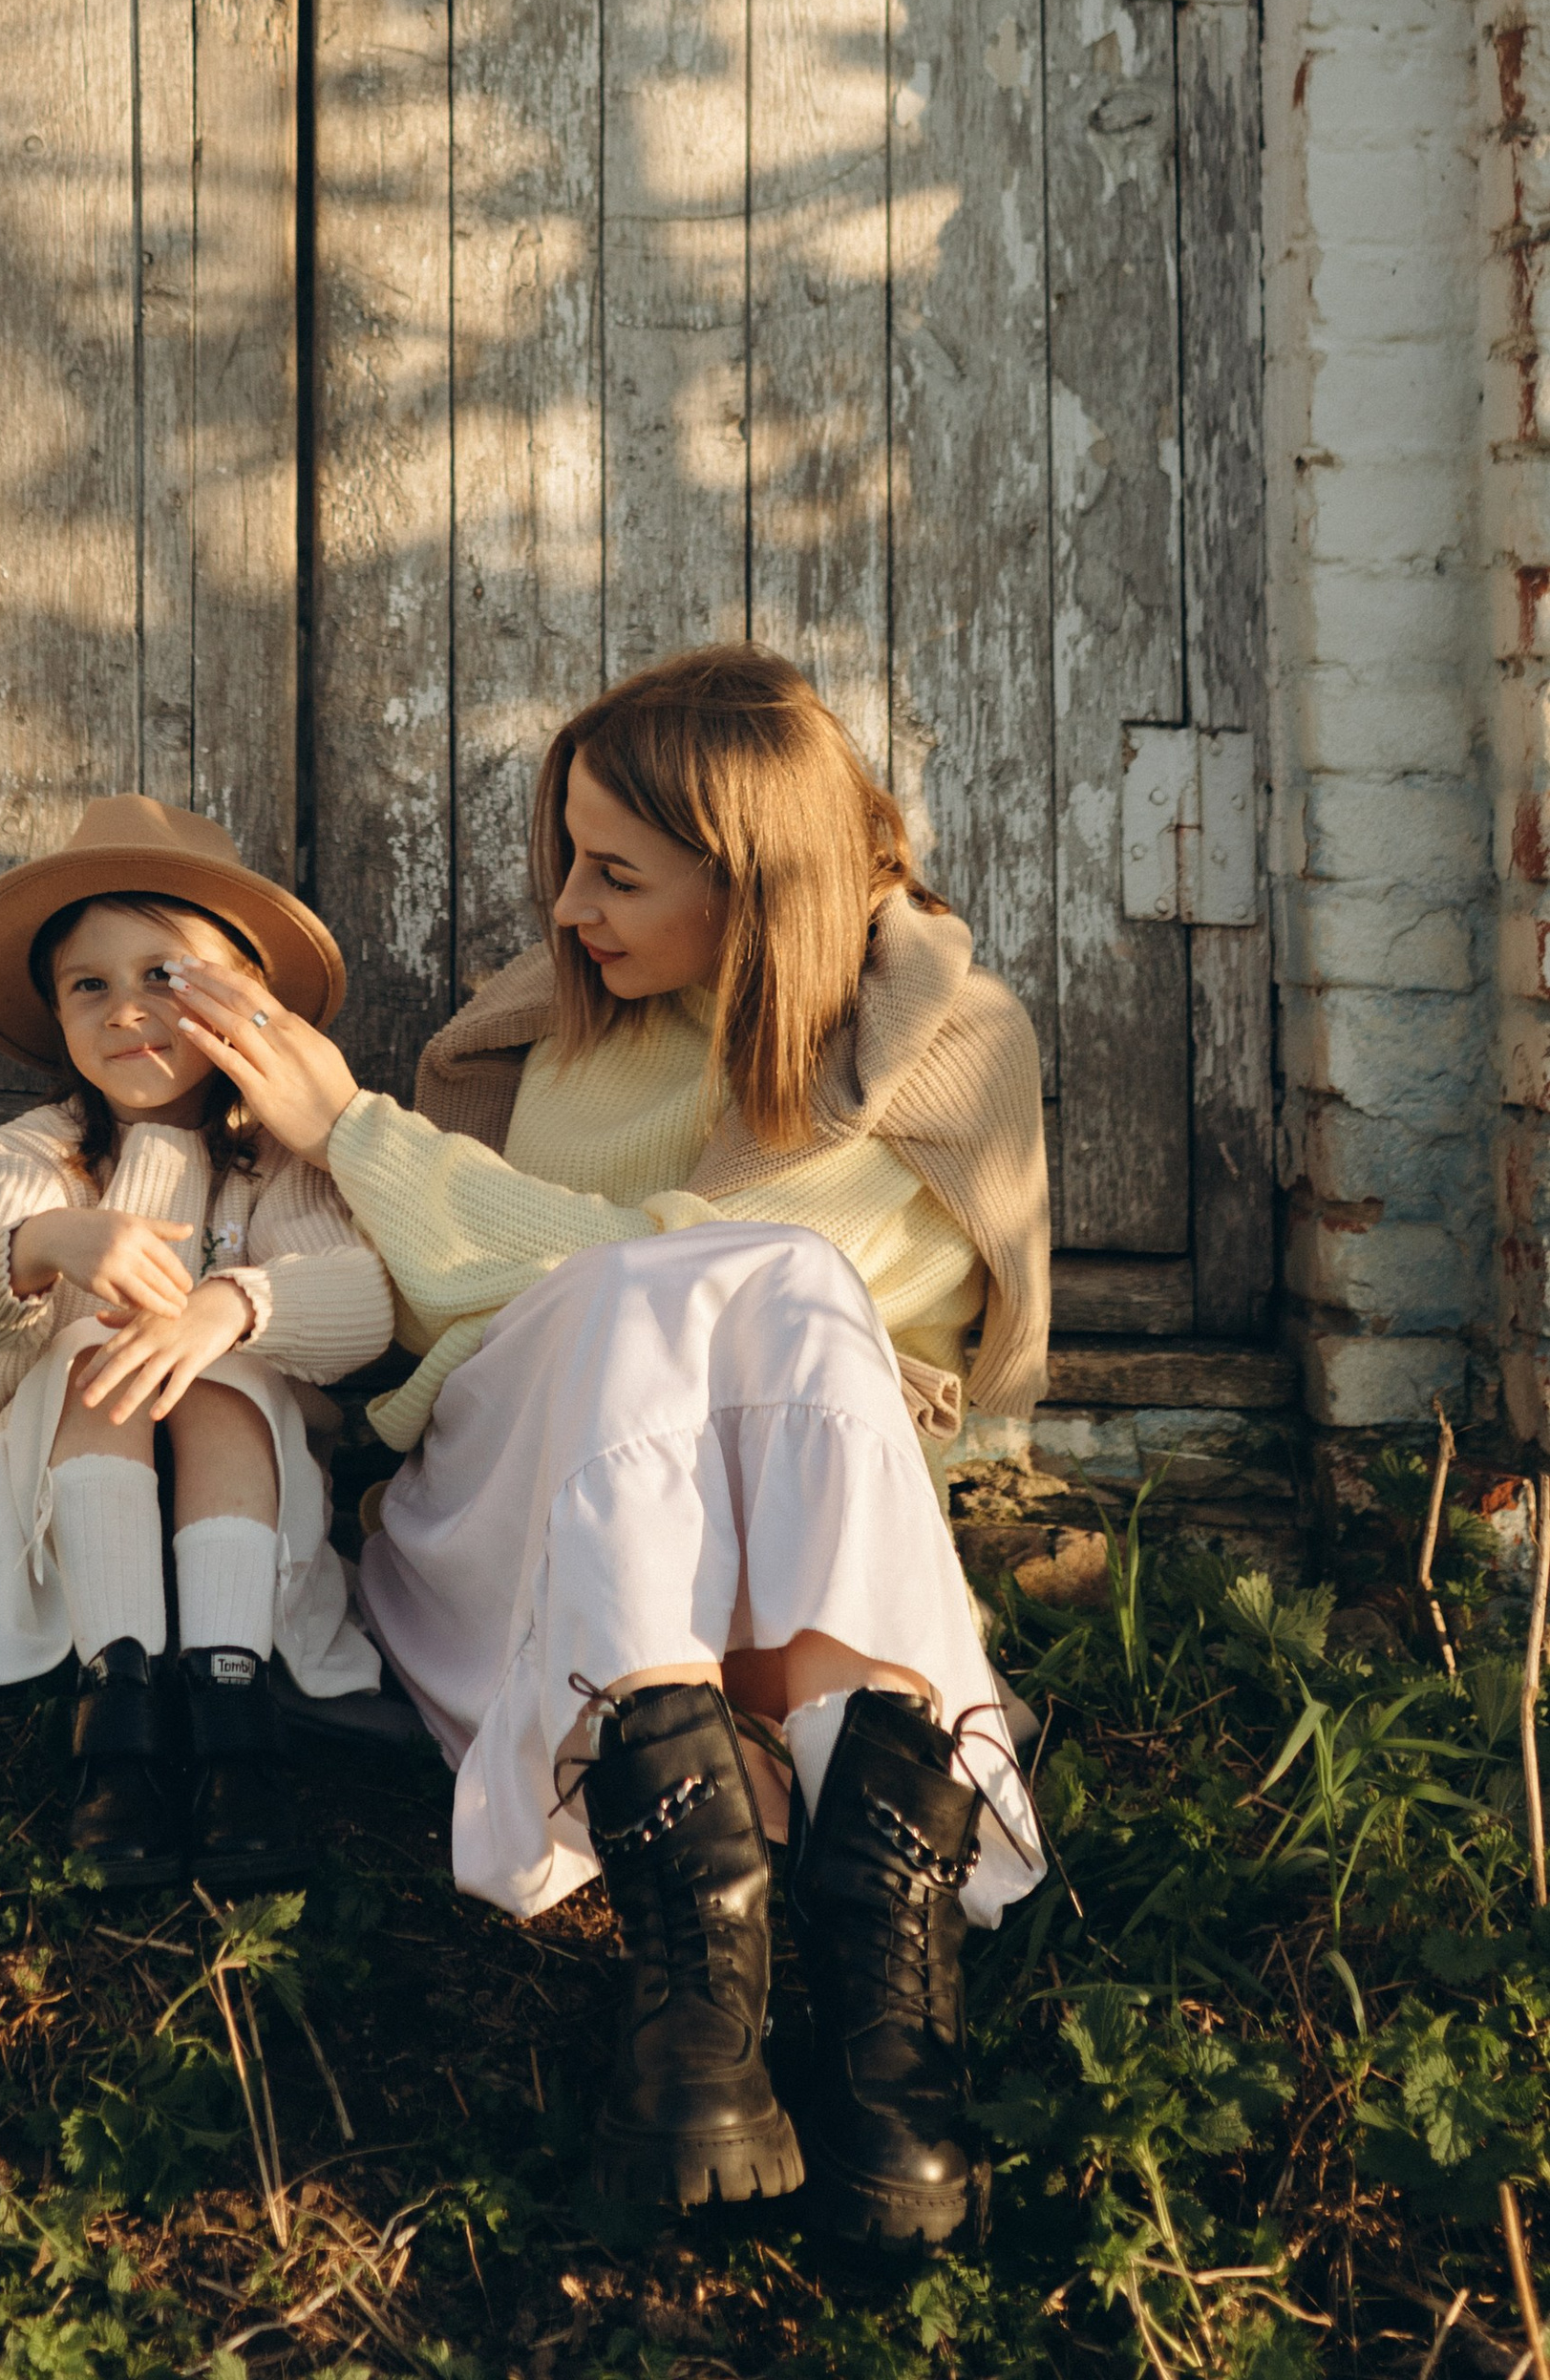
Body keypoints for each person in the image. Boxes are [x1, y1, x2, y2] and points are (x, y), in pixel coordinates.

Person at [157, 647, 1051, 2247]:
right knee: (681, 1280)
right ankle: (771, 1981)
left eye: (617, 873)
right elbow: (442, 1322)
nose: (568, 907)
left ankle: (850, 2000)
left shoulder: (945, 1054)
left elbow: (701, 1255)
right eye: (567, 859)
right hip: (522, 1521)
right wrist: (410, 1178)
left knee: (761, 1280)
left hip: (791, 1555)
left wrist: (368, 1138)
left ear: (758, 885)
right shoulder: (538, 1045)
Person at [0, 796, 393, 1889]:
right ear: (59, 1014)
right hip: (65, 1496)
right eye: (91, 984)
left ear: (246, 1000)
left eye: (164, 975)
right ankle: (117, 1713)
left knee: (208, 1368)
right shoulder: (47, 1150)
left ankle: (227, 1710)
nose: (127, 1010)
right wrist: (51, 1239)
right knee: (100, 1355)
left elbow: (361, 1306)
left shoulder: (278, 1163)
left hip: (237, 1503)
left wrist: (230, 1308)